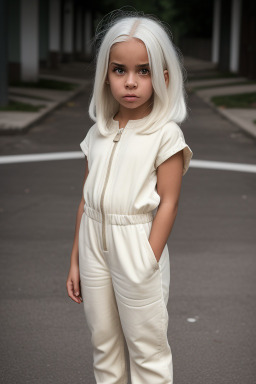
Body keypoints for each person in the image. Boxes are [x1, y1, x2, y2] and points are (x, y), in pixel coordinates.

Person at [66, 9, 193, 384]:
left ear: (163, 77)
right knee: (104, 344)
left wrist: (147, 258)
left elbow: (168, 201)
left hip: (136, 244)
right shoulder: (98, 132)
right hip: (93, 246)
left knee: (146, 346)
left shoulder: (165, 134)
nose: (131, 82)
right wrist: (75, 260)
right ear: (105, 75)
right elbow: (86, 200)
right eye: (120, 70)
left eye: (144, 71)